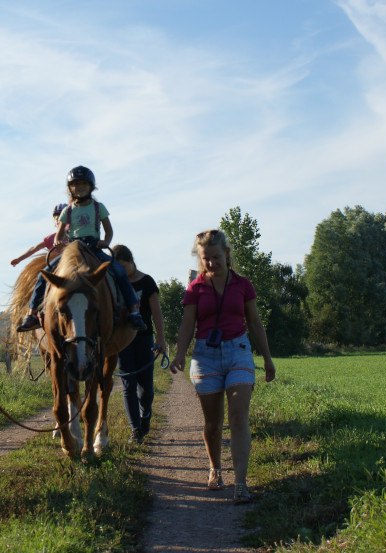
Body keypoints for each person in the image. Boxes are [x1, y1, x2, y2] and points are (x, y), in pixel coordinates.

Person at [168, 228, 276, 503]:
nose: (211, 263)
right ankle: (215, 469)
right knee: (213, 422)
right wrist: (180, 353)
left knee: (239, 414)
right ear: (200, 259)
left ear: (227, 254)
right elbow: (187, 324)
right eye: (206, 259)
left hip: (238, 350)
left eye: (216, 257)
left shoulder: (243, 284)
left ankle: (241, 482)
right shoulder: (196, 288)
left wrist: (266, 357)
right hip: (205, 355)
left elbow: (254, 323)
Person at [16, 165, 145, 332]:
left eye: (83, 184)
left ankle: (134, 311)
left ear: (91, 186)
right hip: (73, 248)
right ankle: (32, 314)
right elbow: (59, 233)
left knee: (119, 271)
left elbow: (109, 230)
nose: (79, 187)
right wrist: (57, 242)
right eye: (75, 184)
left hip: (94, 247)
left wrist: (106, 241)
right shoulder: (68, 211)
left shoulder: (99, 208)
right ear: (70, 188)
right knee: (44, 275)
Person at [112, 244, 166, 444]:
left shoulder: (147, 282)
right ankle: (135, 429)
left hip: (144, 339)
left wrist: (161, 339)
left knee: (146, 389)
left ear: (131, 262)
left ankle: (146, 416)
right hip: (123, 341)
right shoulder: (116, 284)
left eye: (123, 267)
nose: (122, 272)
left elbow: (157, 314)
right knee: (128, 385)